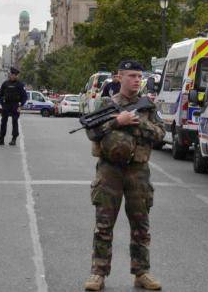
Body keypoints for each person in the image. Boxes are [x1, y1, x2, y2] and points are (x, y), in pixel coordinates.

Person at [84, 60, 165, 291]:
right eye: (131, 75)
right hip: (110, 171)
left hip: (138, 171)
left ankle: (142, 272)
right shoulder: (107, 104)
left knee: (140, 224)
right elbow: (91, 130)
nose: (137, 80)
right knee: (104, 224)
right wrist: (117, 121)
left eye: (139, 76)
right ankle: (98, 273)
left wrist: (136, 124)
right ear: (120, 78)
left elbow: (160, 134)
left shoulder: (147, 106)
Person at [0, 67, 27, 146]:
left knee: (14, 122)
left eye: (13, 75)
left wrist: (21, 106)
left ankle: (14, 139)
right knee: (3, 122)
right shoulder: (5, 84)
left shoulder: (20, 84)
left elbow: (24, 97)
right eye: (11, 74)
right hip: (6, 105)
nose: (12, 76)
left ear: (16, 76)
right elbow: (0, 95)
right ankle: (1, 139)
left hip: (15, 105)